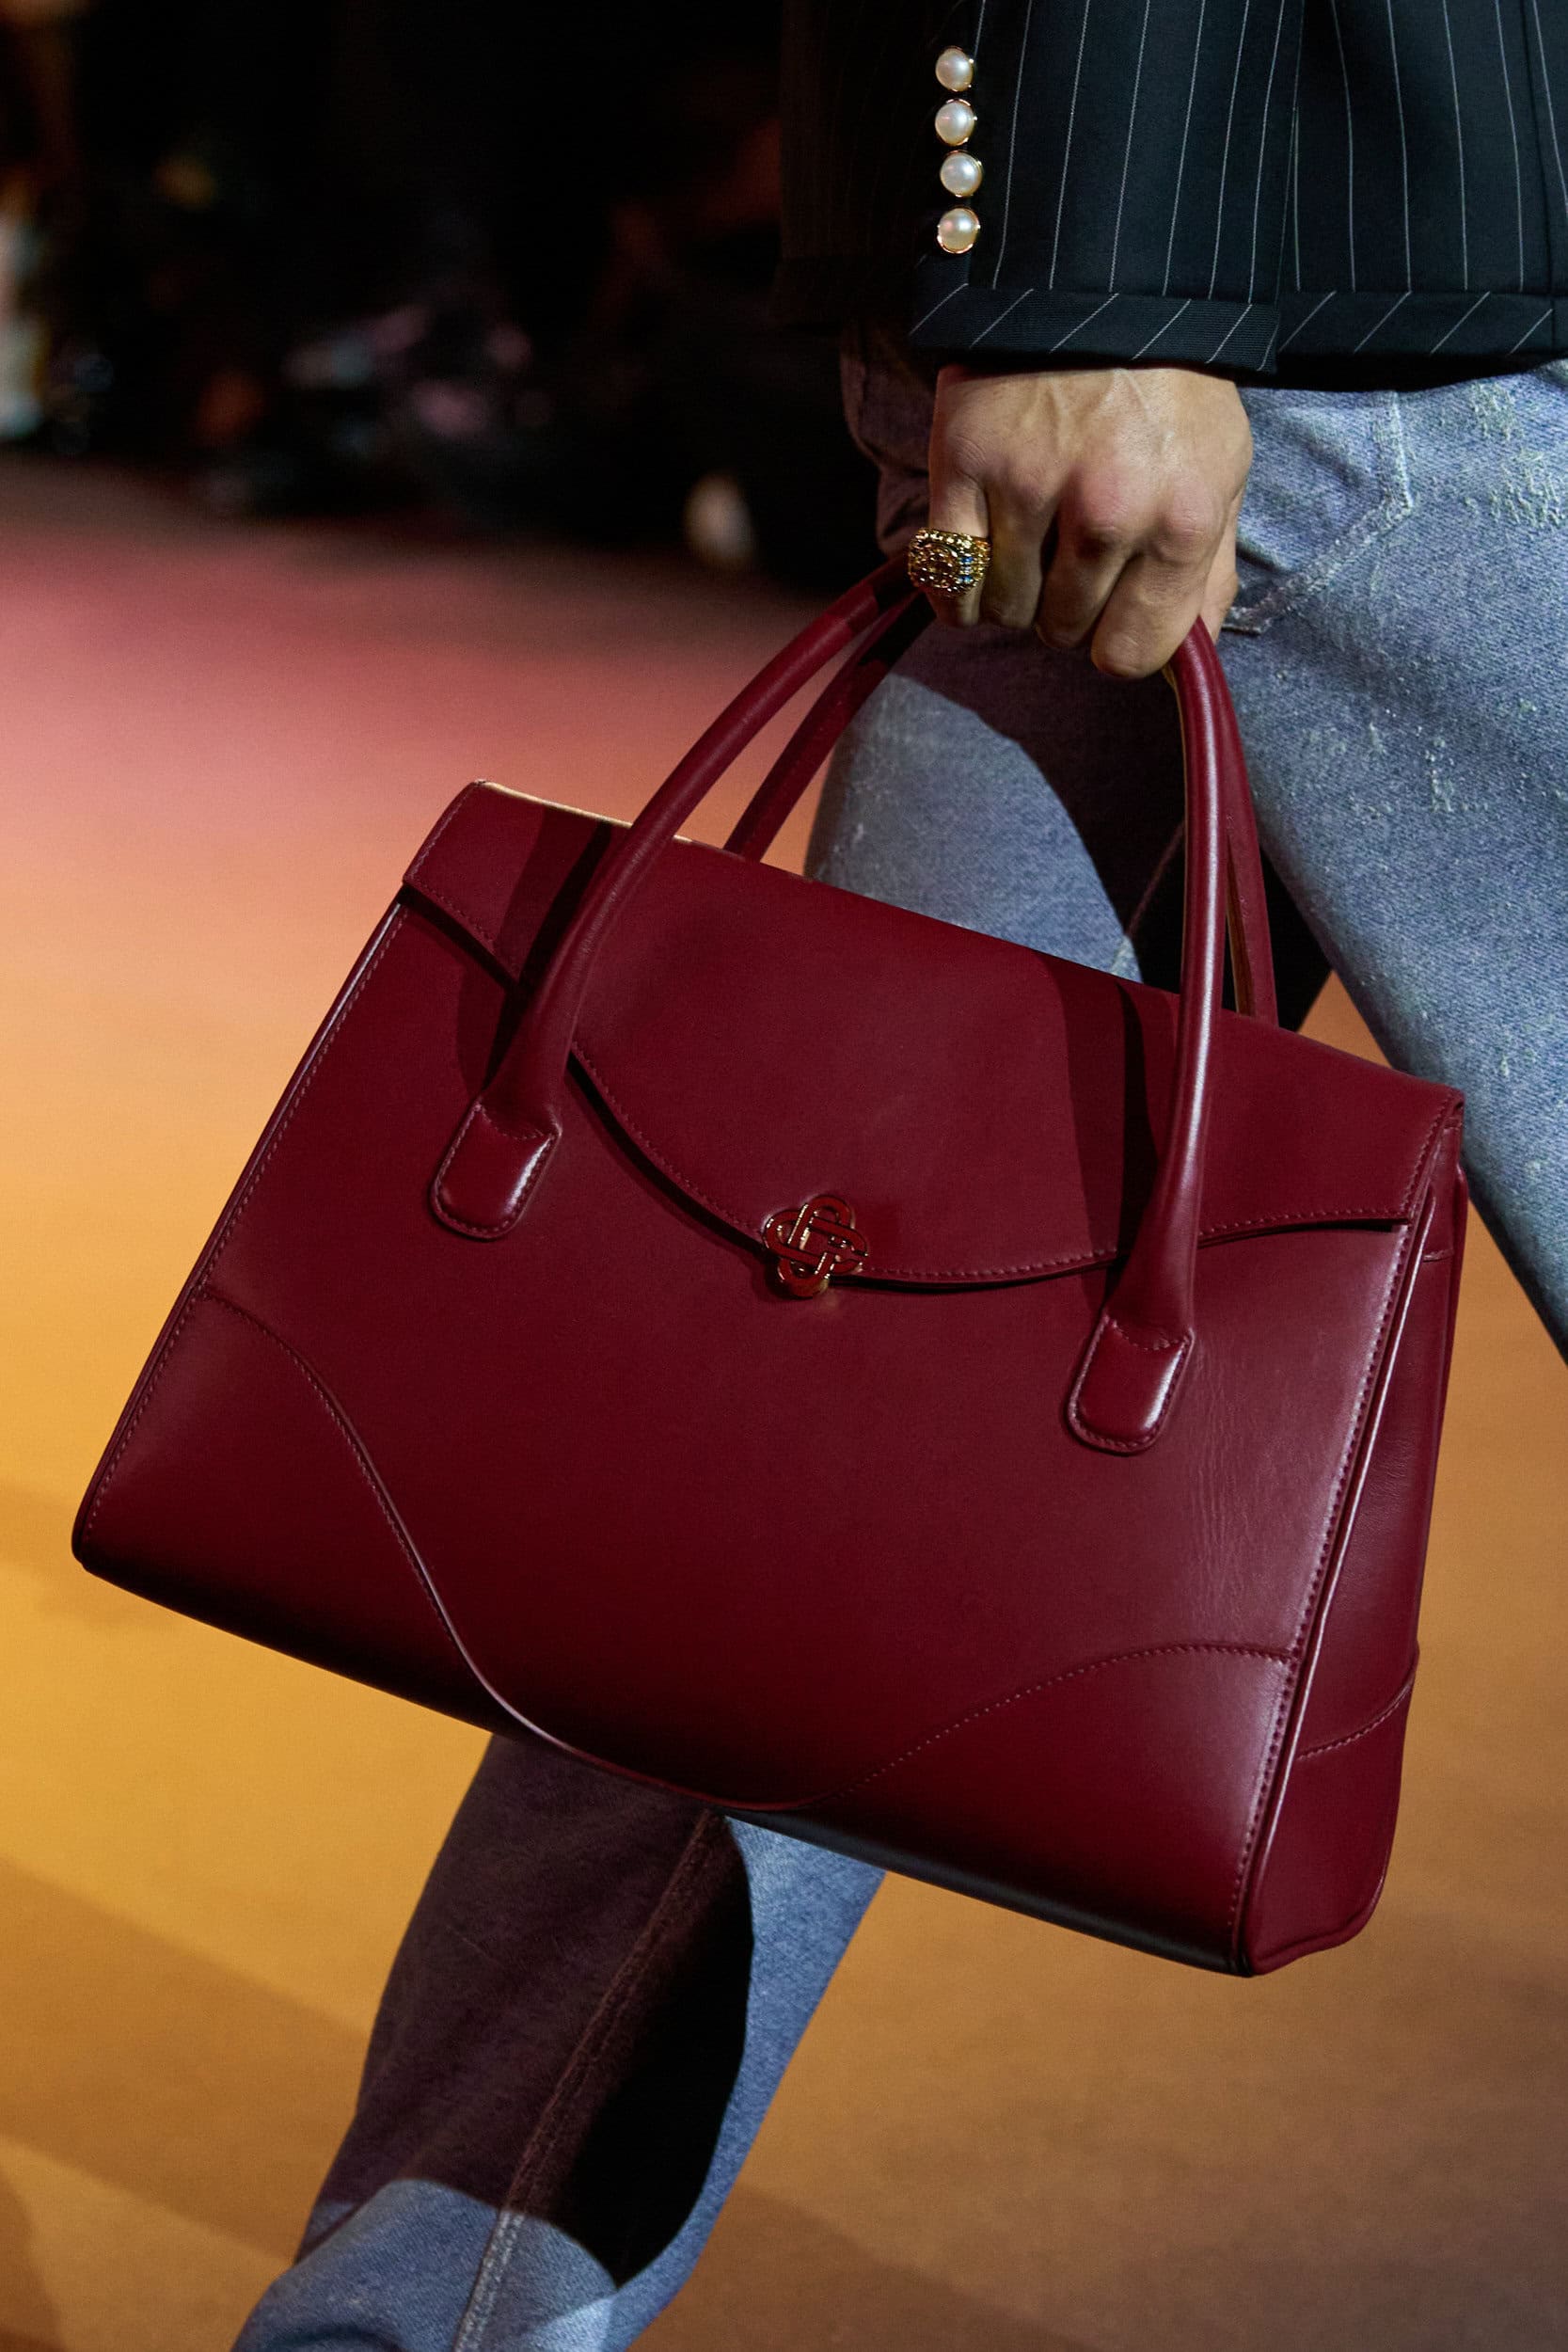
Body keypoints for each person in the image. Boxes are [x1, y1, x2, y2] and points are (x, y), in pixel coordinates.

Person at [235, 6, 1568, 2346]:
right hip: (1336, 319)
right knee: (813, 1463)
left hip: (1280, 311)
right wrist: (1085, 276)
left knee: (813, 1482)